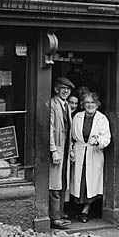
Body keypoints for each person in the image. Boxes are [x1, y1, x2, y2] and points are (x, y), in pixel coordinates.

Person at [70, 92, 111, 223]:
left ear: (97, 104)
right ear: (83, 104)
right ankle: (77, 208)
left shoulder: (102, 119)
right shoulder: (77, 116)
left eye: (92, 103)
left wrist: (98, 141)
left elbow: (107, 138)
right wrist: (71, 148)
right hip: (80, 151)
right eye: (87, 102)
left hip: (94, 154)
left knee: (90, 183)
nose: (90, 105)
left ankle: (85, 210)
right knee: (79, 181)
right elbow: (71, 136)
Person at [49, 76, 75, 229]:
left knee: (63, 182)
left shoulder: (66, 106)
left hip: (65, 149)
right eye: (62, 88)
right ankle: (54, 217)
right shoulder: (53, 105)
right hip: (57, 149)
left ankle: (60, 211)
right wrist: (53, 151)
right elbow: (50, 129)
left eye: (68, 89)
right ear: (56, 90)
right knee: (54, 184)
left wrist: (70, 148)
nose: (65, 91)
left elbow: (68, 130)